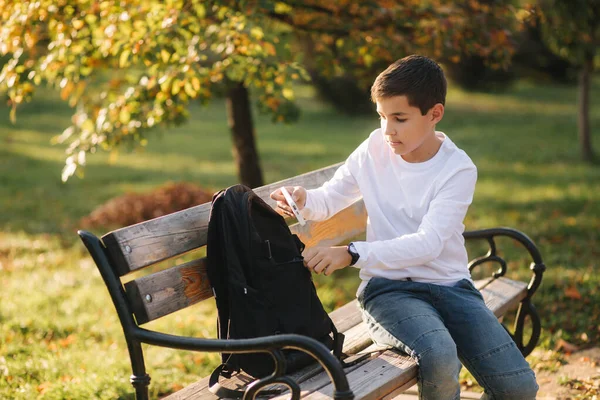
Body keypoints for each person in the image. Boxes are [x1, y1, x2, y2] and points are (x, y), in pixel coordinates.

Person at [270, 55, 538, 400]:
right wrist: (303, 199)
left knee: (518, 388)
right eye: (382, 116)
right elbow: (331, 198)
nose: (387, 130)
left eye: (399, 118)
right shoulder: (373, 148)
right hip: (389, 290)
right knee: (439, 356)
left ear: (434, 114)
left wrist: (352, 253)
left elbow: (428, 244)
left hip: (452, 287)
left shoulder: (457, 169)